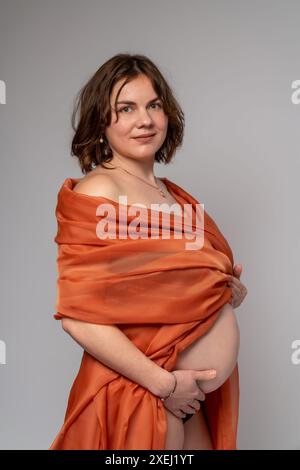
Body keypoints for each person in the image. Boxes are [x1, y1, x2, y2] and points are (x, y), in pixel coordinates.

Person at [49, 53, 247, 450]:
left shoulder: (174, 196)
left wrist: (223, 292)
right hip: (145, 390)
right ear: (101, 123)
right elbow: (78, 315)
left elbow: (161, 291)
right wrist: (165, 384)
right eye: (126, 108)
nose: (145, 120)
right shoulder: (100, 192)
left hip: (188, 400)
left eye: (153, 105)